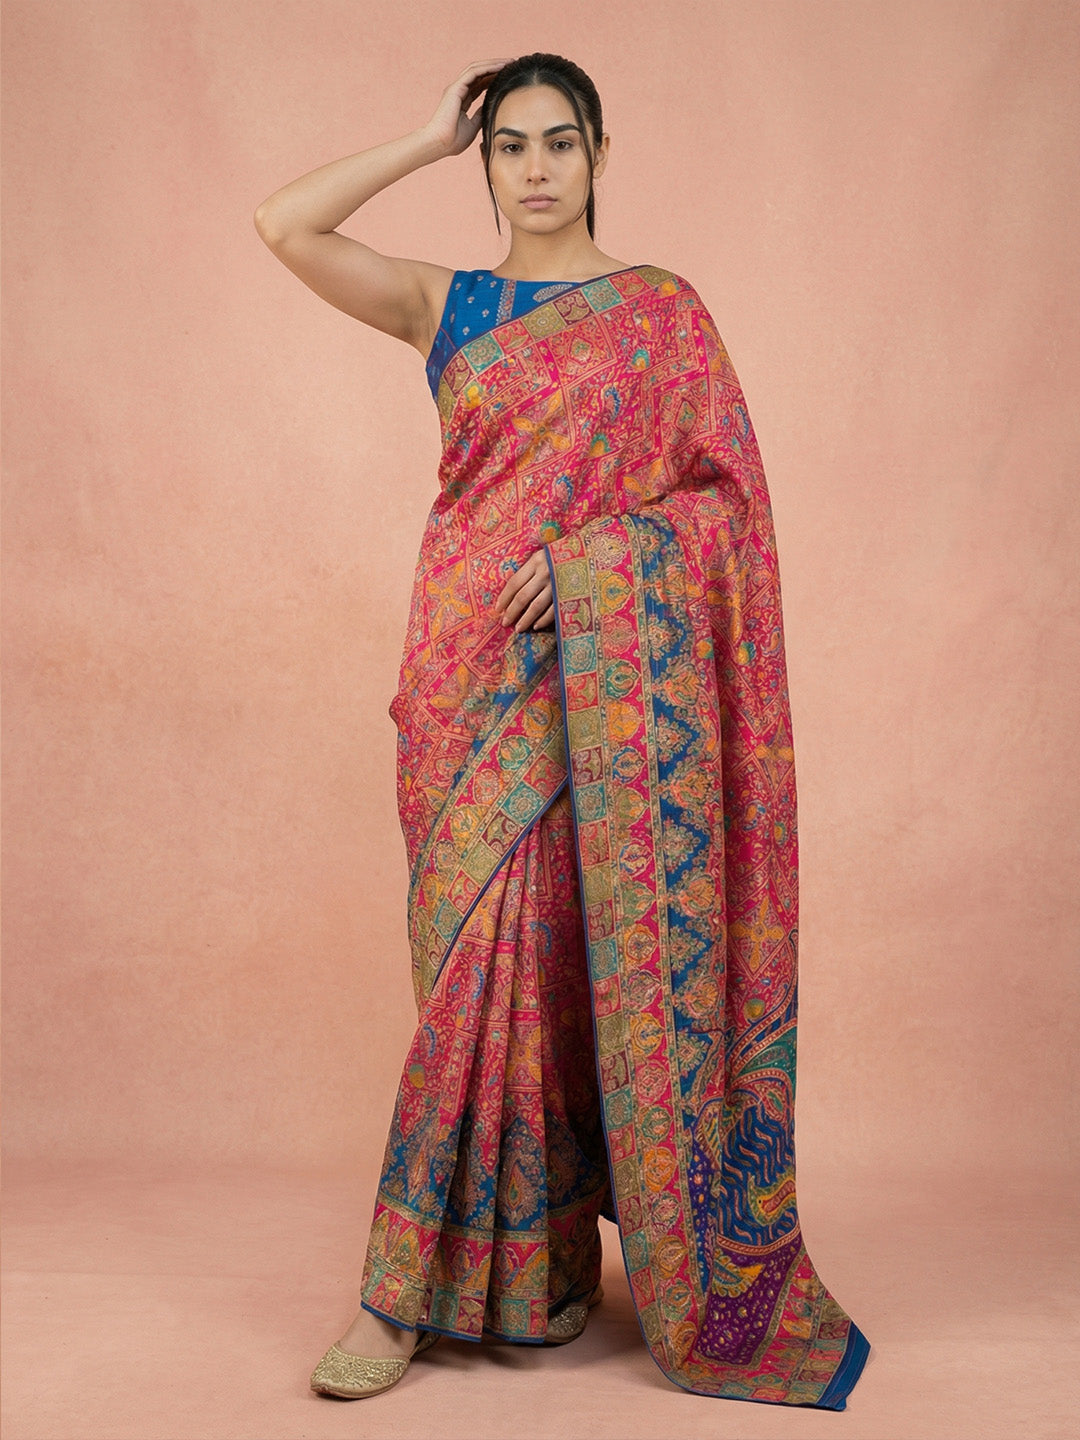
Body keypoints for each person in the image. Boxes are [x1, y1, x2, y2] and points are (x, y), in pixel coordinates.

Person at [254, 52, 870, 1410]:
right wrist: (424, 135)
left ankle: (406, 1298)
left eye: (559, 142)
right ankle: (510, 1275)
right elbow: (283, 225)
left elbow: (728, 509)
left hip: (594, 670)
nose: (535, 168)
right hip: (463, 675)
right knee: (472, 980)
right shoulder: (449, 306)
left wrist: (596, 563)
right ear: (485, 166)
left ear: (599, 154)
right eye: (509, 146)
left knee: (543, 969)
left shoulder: (662, 316)